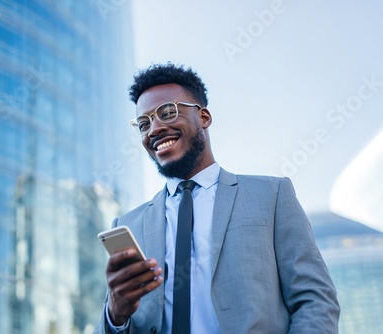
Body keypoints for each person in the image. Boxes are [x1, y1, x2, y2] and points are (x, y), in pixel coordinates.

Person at [94, 63, 340, 333]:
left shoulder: (272, 195)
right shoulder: (130, 223)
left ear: (204, 117)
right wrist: (115, 315)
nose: (154, 129)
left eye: (167, 112)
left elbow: (315, 300)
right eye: (144, 123)